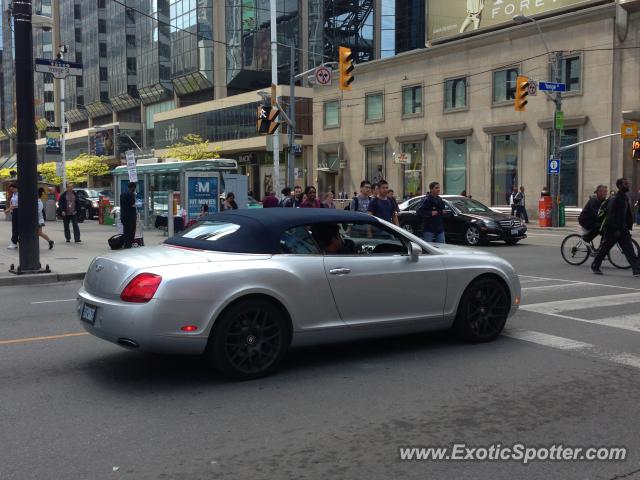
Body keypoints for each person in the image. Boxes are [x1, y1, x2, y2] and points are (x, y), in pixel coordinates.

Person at [591, 178, 640, 276]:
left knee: (629, 249)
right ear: (620, 186)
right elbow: (610, 215)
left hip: (623, 229)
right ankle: (595, 265)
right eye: (626, 184)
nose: (628, 185)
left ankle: (636, 270)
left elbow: (625, 214)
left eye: (628, 183)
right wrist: (615, 229)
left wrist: (626, 226)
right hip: (613, 230)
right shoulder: (615, 198)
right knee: (605, 248)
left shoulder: (624, 197)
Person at [120, 182, 137, 248]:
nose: (135, 189)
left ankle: (126, 244)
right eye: (134, 188)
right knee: (131, 231)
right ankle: (129, 245)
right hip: (130, 216)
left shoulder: (122, 194)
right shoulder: (131, 194)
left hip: (124, 215)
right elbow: (132, 204)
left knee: (126, 231)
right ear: (133, 187)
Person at [6, 183, 18, 249]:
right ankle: (15, 241)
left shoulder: (19, 194)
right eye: (11, 189)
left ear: (16, 188)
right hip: (14, 211)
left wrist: (9, 209)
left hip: (18, 211)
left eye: (13, 189)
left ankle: (14, 242)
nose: (12, 190)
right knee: (14, 227)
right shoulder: (14, 194)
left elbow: (17, 204)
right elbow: (12, 202)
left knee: (15, 227)